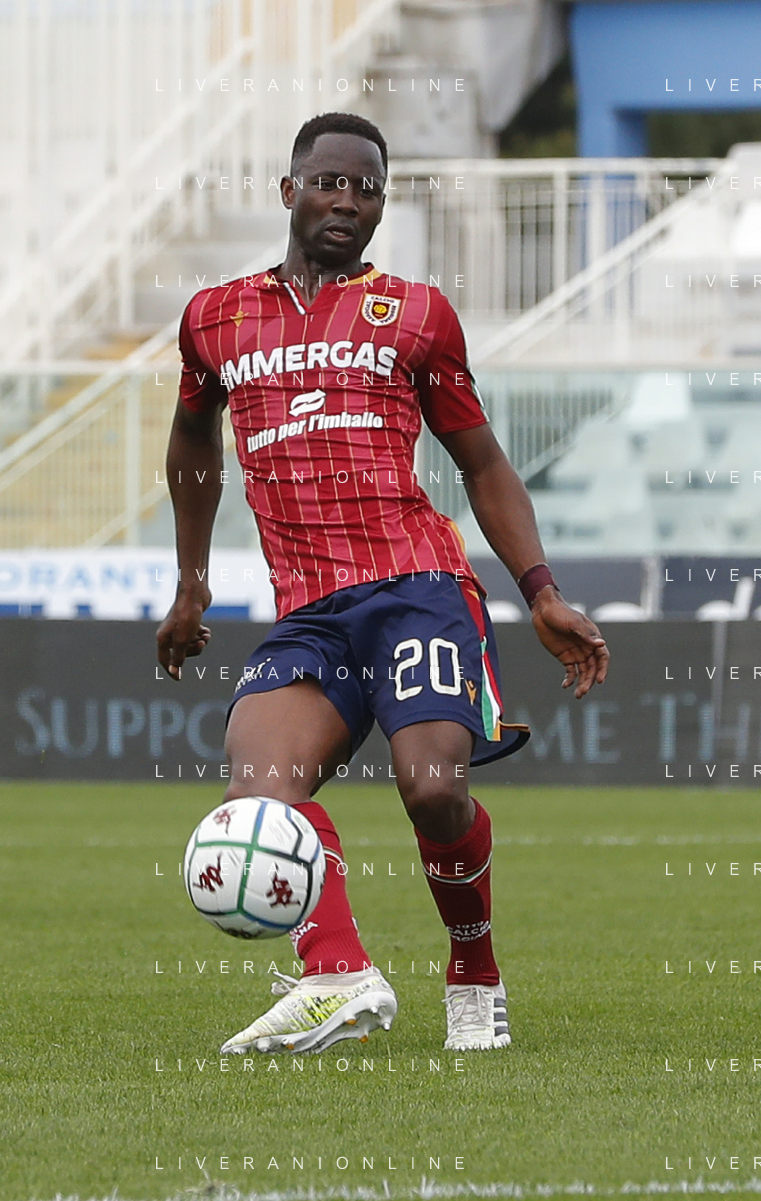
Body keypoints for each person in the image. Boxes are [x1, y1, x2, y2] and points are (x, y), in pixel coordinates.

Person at [157, 112, 609, 1056]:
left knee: (432, 788)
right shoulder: (214, 317)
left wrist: (539, 590)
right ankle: (337, 973)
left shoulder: (414, 313)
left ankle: (472, 972)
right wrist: (191, 585)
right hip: (309, 610)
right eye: (329, 181)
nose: (346, 201)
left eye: (366, 189)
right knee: (258, 796)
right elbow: (193, 440)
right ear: (289, 191)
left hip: (416, 585)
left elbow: (481, 461)